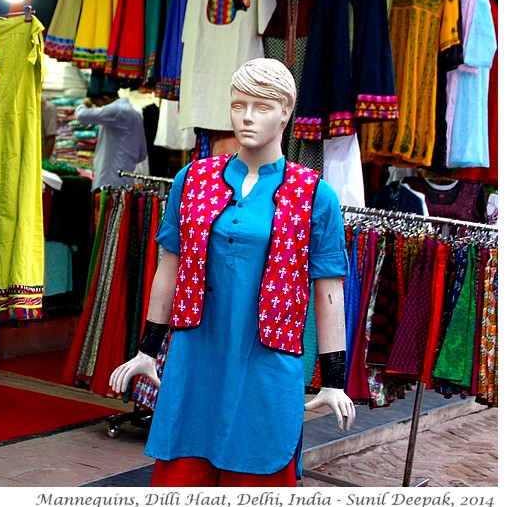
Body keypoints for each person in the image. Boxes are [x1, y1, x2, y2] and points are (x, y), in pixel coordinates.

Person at [109, 57, 356, 487]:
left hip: (266, 364)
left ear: (286, 112)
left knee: (259, 472)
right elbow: (169, 267)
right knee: (181, 478)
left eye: (261, 106)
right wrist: (148, 349)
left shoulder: (314, 194)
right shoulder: (193, 179)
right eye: (238, 104)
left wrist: (333, 380)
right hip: (195, 360)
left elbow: (329, 290)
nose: (246, 117)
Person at [74, 86, 148, 190]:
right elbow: (142, 154)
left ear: (105, 99)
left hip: (109, 182)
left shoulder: (117, 110)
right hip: (126, 179)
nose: (99, 108)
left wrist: (85, 104)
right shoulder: (136, 115)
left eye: (98, 105)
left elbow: (81, 115)